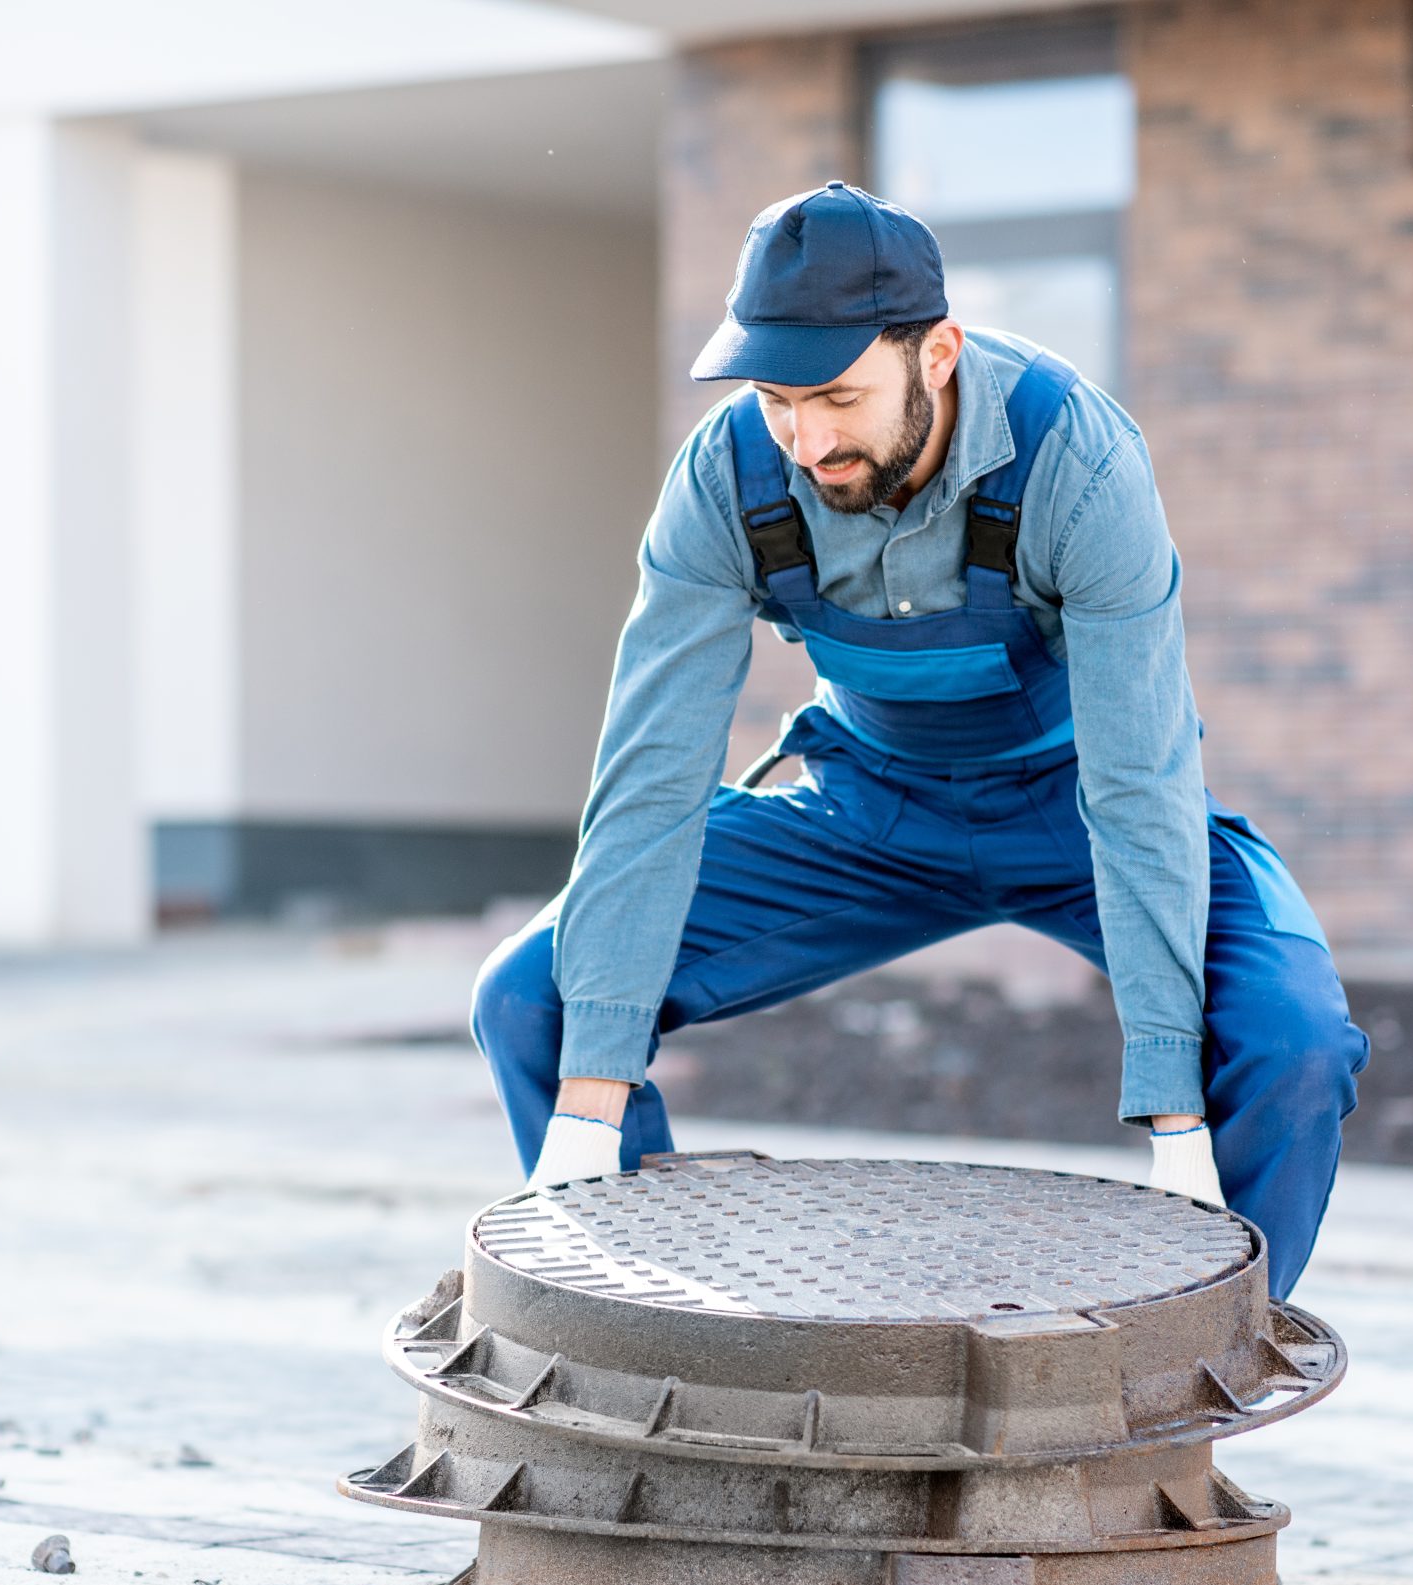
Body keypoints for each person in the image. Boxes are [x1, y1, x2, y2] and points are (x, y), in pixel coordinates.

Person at [470, 182, 1367, 1297]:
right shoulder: (726, 477)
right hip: (869, 813)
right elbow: (651, 775)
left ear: (936, 353)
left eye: (839, 397)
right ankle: (654, 1320)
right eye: (775, 400)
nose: (806, 439)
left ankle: (1200, 1362)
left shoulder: (1074, 464)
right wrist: (582, 1117)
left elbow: (1141, 784)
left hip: (1083, 813)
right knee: (532, 1000)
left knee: (1295, 1047)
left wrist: (1176, 1129)